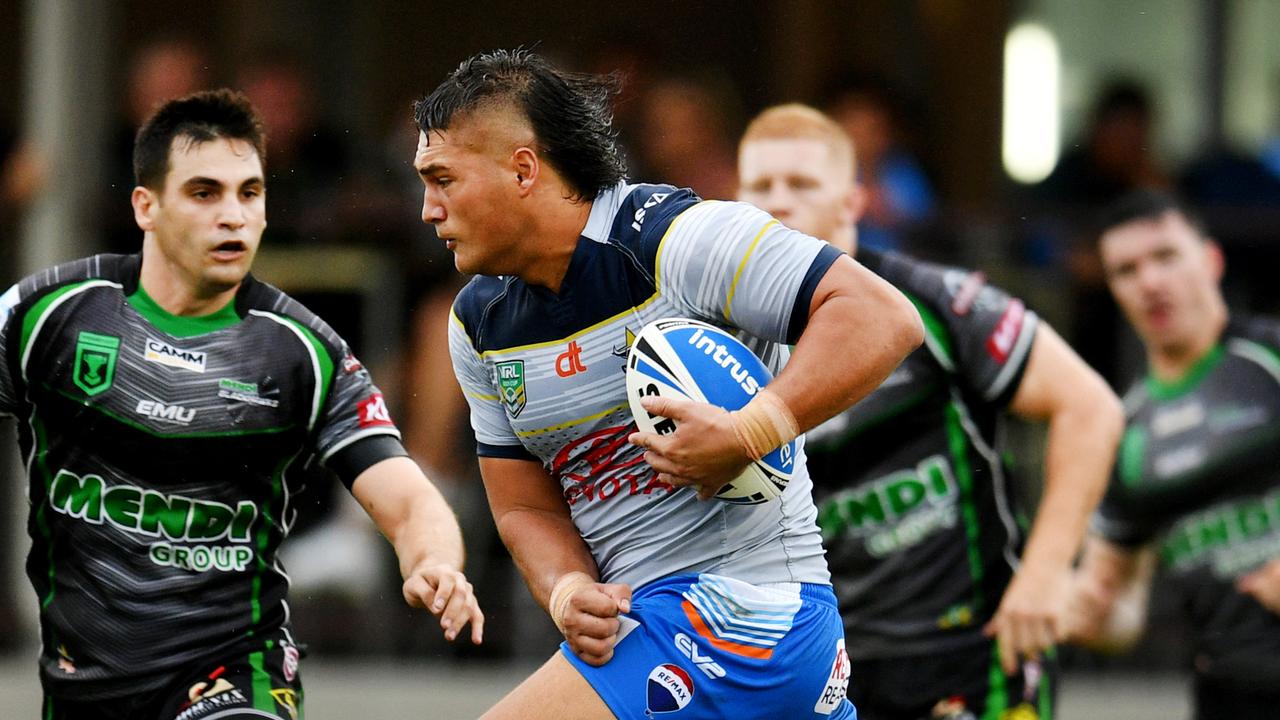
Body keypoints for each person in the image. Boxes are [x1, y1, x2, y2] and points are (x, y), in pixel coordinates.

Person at [415, 49, 923, 719]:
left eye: (443, 178)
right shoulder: (479, 323)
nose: (428, 209)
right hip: (656, 627)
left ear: (523, 168)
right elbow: (524, 507)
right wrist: (565, 587)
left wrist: (754, 428)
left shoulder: (678, 241)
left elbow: (883, 317)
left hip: (750, 614)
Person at [0, 89, 483, 720]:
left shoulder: (301, 352)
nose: (233, 216)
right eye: (205, 193)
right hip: (84, 687)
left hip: (235, 676)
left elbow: (411, 498)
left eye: (249, 193)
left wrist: (436, 562)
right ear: (146, 206)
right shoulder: (52, 315)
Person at [736, 104, 1123, 720]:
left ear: (853, 204)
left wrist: (1047, 573)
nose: (779, 202)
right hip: (818, 665)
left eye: (802, 184)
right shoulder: (717, 342)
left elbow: (1091, 407)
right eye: (761, 186)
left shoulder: (937, 304)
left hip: (976, 653)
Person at [1067, 190, 1280, 720]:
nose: (1150, 283)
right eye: (1126, 270)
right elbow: (1121, 617)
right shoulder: (1124, 430)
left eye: (1166, 256)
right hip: (1227, 692)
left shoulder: (1269, 359)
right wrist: (1079, 612)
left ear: (1211, 260)